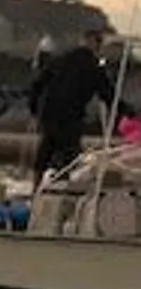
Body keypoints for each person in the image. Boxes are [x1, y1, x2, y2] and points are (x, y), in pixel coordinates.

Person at [28, 26, 117, 189]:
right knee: (68, 152)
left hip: (49, 112)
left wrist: (34, 109)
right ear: (95, 44)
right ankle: (60, 185)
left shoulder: (60, 59)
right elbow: (108, 94)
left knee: (46, 148)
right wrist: (125, 112)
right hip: (70, 115)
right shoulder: (93, 66)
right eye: (98, 44)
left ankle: (36, 188)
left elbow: (37, 83)